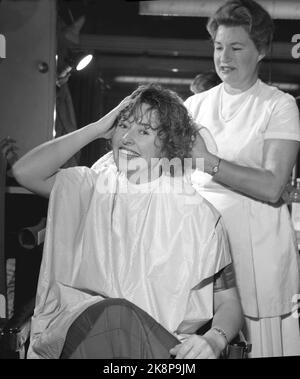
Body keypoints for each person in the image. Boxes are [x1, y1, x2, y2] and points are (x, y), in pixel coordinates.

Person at [12, 84, 243, 359]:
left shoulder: (199, 217)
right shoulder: (89, 187)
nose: (127, 138)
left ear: (169, 144)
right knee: (115, 314)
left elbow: (229, 303)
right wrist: (96, 127)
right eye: (123, 126)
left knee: (121, 318)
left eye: (144, 131)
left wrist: (214, 341)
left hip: (160, 347)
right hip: (80, 335)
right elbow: (25, 172)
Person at [184, 0, 300, 358]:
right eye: (219, 47)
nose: (224, 57)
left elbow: (271, 185)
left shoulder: (278, 105)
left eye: (236, 47)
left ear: (261, 50)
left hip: (256, 246)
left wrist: (209, 162)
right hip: (200, 243)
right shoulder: (194, 106)